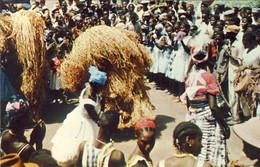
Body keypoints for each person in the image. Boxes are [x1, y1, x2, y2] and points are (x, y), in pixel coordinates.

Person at [51, 65, 107, 166]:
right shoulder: (88, 100)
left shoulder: (92, 90)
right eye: (100, 87)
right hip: (83, 123)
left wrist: (103, 102)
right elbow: (96, 118)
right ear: (95, 85)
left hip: (88, 119)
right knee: (80, 147)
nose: (101, 89)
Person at [183, 49, 230, 167]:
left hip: (192, 117)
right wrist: (224, 125)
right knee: (209, 151)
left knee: (196, 150)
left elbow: (189, 104)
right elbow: (213, 107)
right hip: (207, 119)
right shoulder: (209, 77)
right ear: (206, 61)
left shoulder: (188, 79)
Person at [1, 95, 46, 162]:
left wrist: (32, 140)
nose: (31, 117)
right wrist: (39, 142)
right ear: (24, 119)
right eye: (29, 114)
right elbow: (36, 163)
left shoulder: (5, 135)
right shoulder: (27, 149)